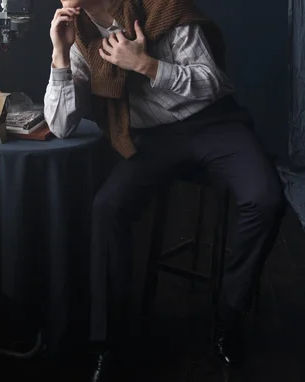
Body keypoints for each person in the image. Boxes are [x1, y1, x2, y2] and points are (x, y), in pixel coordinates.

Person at [44, 0, 286, 379]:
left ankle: (228, 313)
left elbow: (215, 80)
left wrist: (147, 65)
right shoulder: (80, 39)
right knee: (107, 208)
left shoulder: (162, 10)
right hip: (151, 139)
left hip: (212, 122)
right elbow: (60, 126)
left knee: (266, 198)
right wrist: (60, 51)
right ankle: (110, 342)